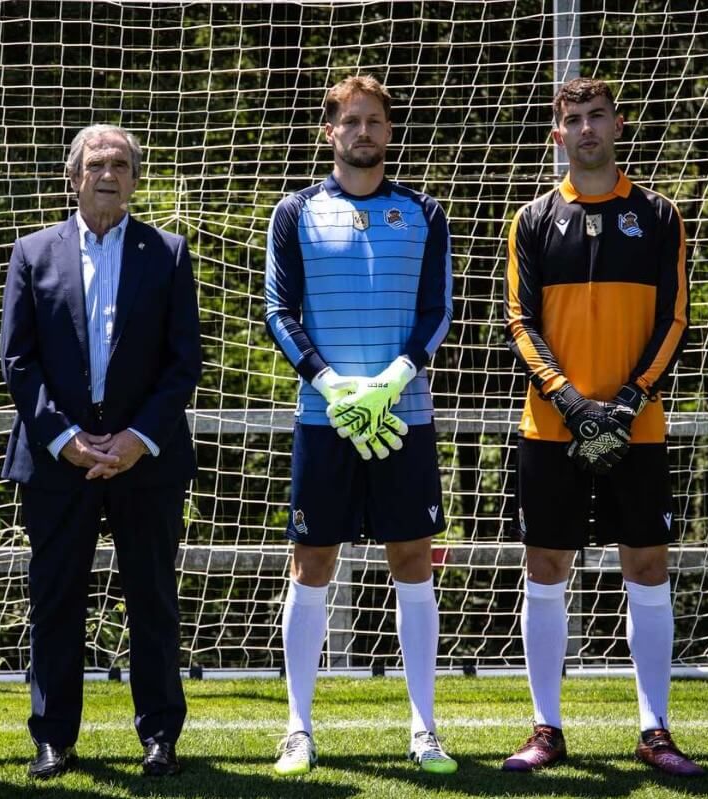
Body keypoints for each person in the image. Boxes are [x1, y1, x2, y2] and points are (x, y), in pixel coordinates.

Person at [502, 76, 700, 777]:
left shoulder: (658, 215)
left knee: (646, 566)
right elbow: (519, 323)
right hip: (551, 427)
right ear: (556, 136)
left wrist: (625, 403)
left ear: (618, 125)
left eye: (597, 116)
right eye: (572, 120)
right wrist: (570, 402)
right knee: (545, 567)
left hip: (635, 426)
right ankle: (546, 728)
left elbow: (674, 319)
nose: (586, 129)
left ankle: (653, 730)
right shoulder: (530, 219)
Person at [264, 75, 456, 776]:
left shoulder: (424, 211)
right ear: (329, 132)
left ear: (389, 132)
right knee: (310, 563)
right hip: (325, 418)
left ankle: (425, 729)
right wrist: (333, 384)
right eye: (351, 121)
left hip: (402, 416)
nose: (363, 132)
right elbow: (279, 312)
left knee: (412, 562)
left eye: (375, 121)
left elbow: (437, 311)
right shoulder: (294, 212)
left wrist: (391, 380)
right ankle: (297, 728)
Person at [0, 124, 202, 779]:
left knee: (153, 600)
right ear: (73, 176)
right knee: (55, 599)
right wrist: (67, 440)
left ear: (135, 179)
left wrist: (137, 438)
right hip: (57, 460)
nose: (107, 173)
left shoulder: (168, 252)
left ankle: (159, 737)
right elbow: (18, 360)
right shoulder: (32, 252)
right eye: (95, 163)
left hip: (147, 460)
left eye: (119, 163)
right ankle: (53, 738)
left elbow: (183, 360)